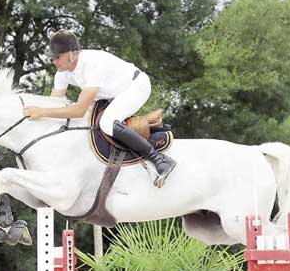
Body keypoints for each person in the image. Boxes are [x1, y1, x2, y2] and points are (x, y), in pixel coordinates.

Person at [23, 29, 176, 187]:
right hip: (109, 94)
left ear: (73, 54)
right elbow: (54, 103)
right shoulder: (62, 72)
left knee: (107, 122)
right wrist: (39, 115)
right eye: (53, 57)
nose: (54, 61)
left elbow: (78, 110)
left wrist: (41, 111)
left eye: (58, 56)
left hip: (135, 86)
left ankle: (160, 160)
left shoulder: (93, 64)